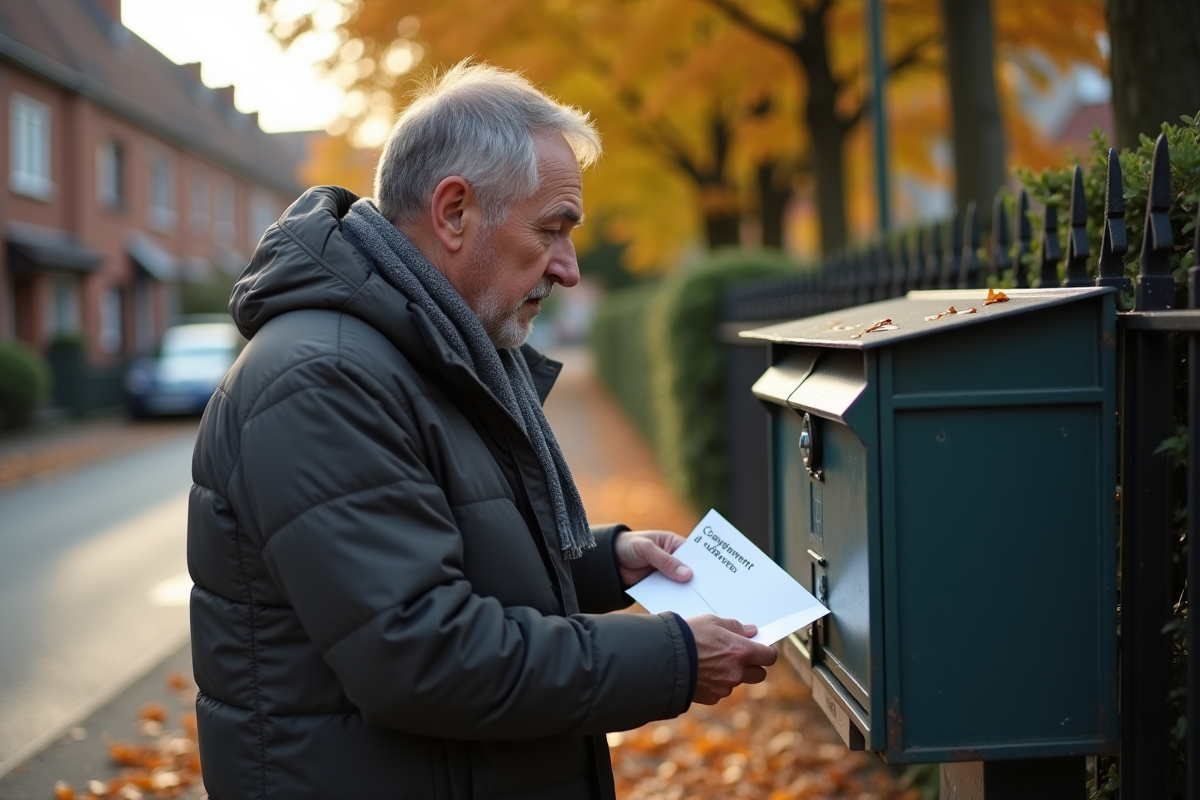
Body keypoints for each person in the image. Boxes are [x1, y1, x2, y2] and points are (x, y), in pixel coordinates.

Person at [187, 60, 777, 800]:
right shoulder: (323, 376)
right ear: (455, 212)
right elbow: (420, 653)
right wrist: (673, 657)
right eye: (552, 229)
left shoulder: (424, 348)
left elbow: (437, 548)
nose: (567, 268)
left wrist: (600, 563)